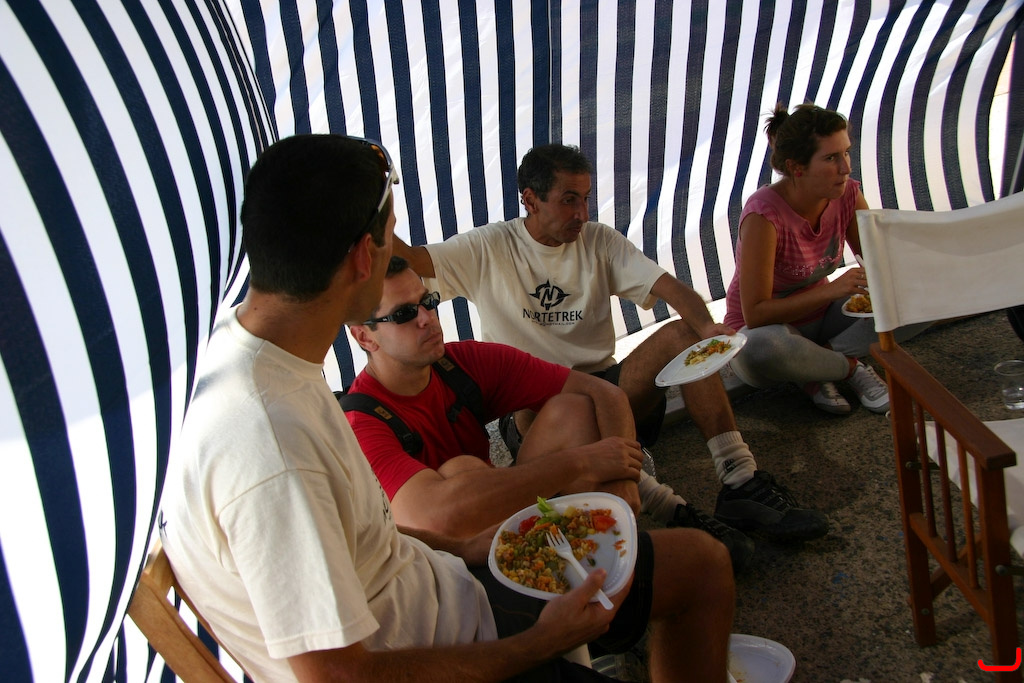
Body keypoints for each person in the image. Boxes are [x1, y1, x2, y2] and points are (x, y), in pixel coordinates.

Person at [159, 134, 734, 682]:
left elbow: (374, 541)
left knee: (702, 562)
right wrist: (540, 643)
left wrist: (461, 550)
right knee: (699, 569)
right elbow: (339, 676)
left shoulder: (258, 360)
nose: (422, 310)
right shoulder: (272, 444)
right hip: (457, 647)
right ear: (363, 259)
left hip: (450, 584)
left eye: (426, 302)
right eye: (390, 238)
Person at [393, 143, 829, 547]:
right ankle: (670, 508)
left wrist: (706, 326)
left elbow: (671, 287)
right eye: (569, 200)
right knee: (560, 405)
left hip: (608, 389)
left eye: (585, 198)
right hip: (535, 411)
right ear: (530, 200)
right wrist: (378, 215)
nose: (582, 213)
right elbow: (409, 263)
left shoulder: (598, 240)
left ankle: (740, 479)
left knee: (683, 336)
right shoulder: (488, 246)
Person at [347, 256, 754, 568]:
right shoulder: (361, 420)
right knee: (461, 469)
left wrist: (623, 482)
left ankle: (619, 537)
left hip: (501, 512)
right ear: (364, 337)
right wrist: (582, 462)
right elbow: (437, 520)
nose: (426, 319)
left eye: (428, 302)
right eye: (404, 314)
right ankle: (578, 579)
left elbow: (604, 393)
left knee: (573, 409)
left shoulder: (460, 362)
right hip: (437, 563)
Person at [722, 103, 925, 414]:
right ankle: (848, 368)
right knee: (759, 350)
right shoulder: (764, 215)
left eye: (846, 153)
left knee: (921, 290)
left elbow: (879, 263)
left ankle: (817, 365)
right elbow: (756, 315)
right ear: (797, 167)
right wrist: (831, 290)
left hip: (824, 321)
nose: (845, 168)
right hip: (768, 332)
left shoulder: (847, 194)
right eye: (831, 158)